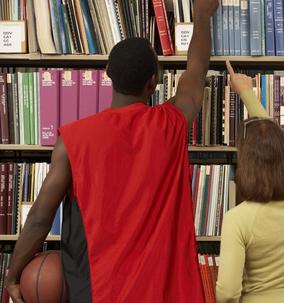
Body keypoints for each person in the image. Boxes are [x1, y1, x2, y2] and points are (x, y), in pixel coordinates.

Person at [5, 1, 218, 302]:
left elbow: (41, 215)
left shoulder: (73, 140)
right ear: (154, 82)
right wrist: (203, 16)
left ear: (107, 74)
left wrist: (12, 275)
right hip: (168, 293)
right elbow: (196, 72)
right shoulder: (171, 123)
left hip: (100, 293)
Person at [215, 61, 284, 303]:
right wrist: (247, 93)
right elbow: (276, 140)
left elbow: (227, 293)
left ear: (246, 164)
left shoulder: (237, 220)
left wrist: (243, 92)